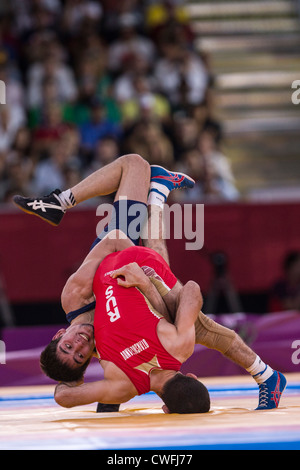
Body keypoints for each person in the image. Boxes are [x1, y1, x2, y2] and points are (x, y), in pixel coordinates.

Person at [13, 154, 287, 411]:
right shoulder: (107, 354)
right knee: (136, 171)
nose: (81, 343)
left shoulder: (75, 298)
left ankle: (64, 201)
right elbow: (70, 389)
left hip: (117, 248)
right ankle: (157, 192)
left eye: (69, 345)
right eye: (81, 355)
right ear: (86, 363)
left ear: (59, 334)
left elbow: (115, 241)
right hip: (145, 286)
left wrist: (139, 266)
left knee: (134, 166)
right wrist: (83, 384)